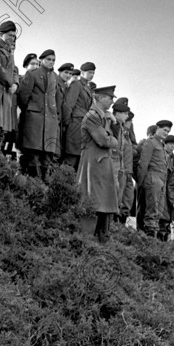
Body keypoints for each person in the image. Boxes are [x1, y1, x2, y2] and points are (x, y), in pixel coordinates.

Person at [76, 85, 120, 242]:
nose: (111, 102)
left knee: (104, 202)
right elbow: (104, 140)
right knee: (92, 201)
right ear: (100, 98)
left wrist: (114, 123)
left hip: (101, 164)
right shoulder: (93, 116)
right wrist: (113, 139)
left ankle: (101, 237)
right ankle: (88, 239)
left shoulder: (103, 117)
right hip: (92, 164)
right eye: (109, 98)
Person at [17, 48, 62, 180]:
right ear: (41, 60)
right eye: (48, 59)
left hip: (49, 120)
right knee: (33, 153)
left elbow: (57, 98)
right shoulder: (33, 74)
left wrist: (54, 113)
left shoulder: (55, 77)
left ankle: (43, 182)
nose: (51, 62)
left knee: (47, 155)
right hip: (34, 119)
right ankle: (33, 182)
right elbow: (23, 96)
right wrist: (31, 110)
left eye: (53, 60)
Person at [137, 120, 172, 238]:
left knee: (157, 212)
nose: (166, 133)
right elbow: (143, 164)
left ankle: (152, 241)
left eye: (168, 131)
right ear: (157, 128)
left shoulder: (161, 144)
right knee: (151, 211)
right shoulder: (151, 143)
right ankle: (148, 240)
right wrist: (140, 183)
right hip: (152, 179)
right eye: (164, 130)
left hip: (160, 181)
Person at [60, 62, 97, 169]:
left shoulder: (87, 87)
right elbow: (68, 105)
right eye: (89, 72)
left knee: (79, 158)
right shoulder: (76, 84)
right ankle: (61, 181)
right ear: (82, 72)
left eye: (93, 73)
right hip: (75, 124)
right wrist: (67, 123)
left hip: (82, 125)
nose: (92, 75)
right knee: (71, 157)